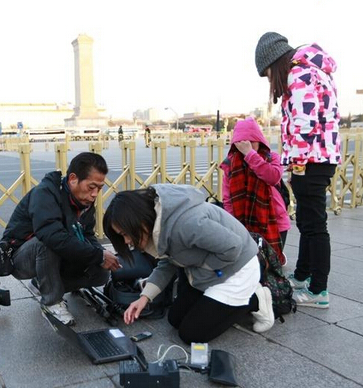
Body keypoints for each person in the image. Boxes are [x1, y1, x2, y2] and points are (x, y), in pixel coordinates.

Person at [103, 184, 276, 343]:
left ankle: (256, 299)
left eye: (126, 234)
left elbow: (233, 247)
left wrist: (203, 267)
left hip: (237, 269)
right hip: (208, 271)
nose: (126, 242)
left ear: (138, 220)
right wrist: (144, 298)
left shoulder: (186, 224)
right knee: (175, 319)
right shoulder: (157, 223)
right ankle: (223, 306)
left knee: (192, 334)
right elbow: (167, 264)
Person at [255, 32, 341, 308]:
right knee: (307, 221)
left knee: (314, 225)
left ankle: (319, 290)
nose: (271, 80)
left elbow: (304, 125)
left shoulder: (299, 75)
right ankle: (303, 276)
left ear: (276, 62)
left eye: (268, 73)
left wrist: (293, 164)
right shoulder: (315, 72)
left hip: (311, 160)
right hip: (321, 157)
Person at [1, 152, 121, 325]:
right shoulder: (45, 194)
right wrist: (97, 255)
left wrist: (101, 254)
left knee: (101, 273)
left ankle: (41, 284)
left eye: (100, 188)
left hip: (56, 254)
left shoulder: (84, 201)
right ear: (73, 179)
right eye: (91, 187)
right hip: (21, 258)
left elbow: (87, 234)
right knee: (48, 242)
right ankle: (51, 302)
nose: (95, 194)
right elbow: (52, 236)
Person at [220, 117, 291, 264]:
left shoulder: (272, 158)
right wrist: (233, 225)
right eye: (243, 142)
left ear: (260, 140)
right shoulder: (230, 164)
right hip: (243, 223)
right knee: (250, 267)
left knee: (272, 264)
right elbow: (227, 199)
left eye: (252, 141)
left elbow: (273, 177)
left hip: (275, 222)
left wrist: (250, 155)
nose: (248, 146)